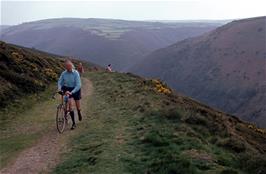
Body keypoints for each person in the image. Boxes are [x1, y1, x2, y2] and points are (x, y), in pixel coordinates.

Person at [58, 60, 82, 130]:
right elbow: (60, 82)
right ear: (65, 67)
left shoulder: (76, 73)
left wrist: (72, 92)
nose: (68, 68)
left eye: (70, 67)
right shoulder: (64, 73)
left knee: (78, 106)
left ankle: (79, 112)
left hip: (76, 89)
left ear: (72, 66)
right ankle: (74, 123)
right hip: (68, 89)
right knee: (70, 105)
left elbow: (79, 85)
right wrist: (59, 89)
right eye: (67, 67)